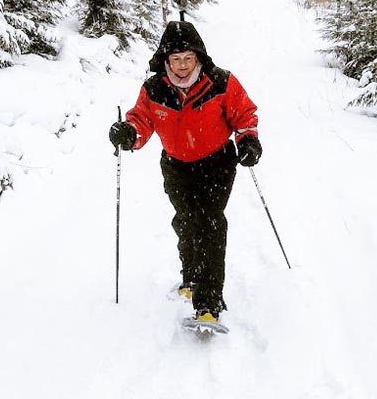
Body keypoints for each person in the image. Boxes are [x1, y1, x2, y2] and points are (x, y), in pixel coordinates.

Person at [108, 20, 262, 325]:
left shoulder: (221, 82)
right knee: (186, 221)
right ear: (165, 60)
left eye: (188, 59)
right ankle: (191, 277)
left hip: (216, 164)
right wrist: (128, 133)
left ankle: (209, 303)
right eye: (175, 59)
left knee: (210, 223)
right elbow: (141, 121)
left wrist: (248, 141)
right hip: (176, 166)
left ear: (199, 57)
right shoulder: (154, 89)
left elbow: (244, 115)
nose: (181, 65)